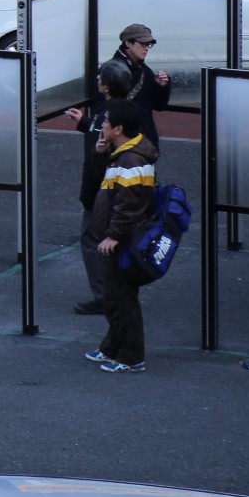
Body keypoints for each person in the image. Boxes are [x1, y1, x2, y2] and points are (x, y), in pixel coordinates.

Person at [85, 99, 158, 373]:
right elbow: (107, 182)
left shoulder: (130, 159)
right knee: (115, 298)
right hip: (119, 236)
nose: (101, 125)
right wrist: (100, 153)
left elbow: (127, 204)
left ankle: (131, 357)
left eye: (105, 122)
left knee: (122, 300)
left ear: (118, 128)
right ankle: (111, 347)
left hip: (122, 239)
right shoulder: (125, 153)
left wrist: (113, 235)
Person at [63, 63, 134, 316]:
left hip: (103, 193)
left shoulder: (108, 114)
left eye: (100, 78)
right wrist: (84, 122)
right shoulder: (119, 111)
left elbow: (101, 156)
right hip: (112, 191)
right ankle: (115, 293)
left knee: (95, 242)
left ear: (105, 85)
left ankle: (106, 296)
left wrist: (94, 196)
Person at [100, 23, 171, 147]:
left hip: (143, 143)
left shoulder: (144, 71)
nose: (146, 48)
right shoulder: (111, 71)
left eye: (149, 45)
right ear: (128, 44)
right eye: (142, 44)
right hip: (123, 143)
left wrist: (162, 86)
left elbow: (159, 106)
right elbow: (101, 108)